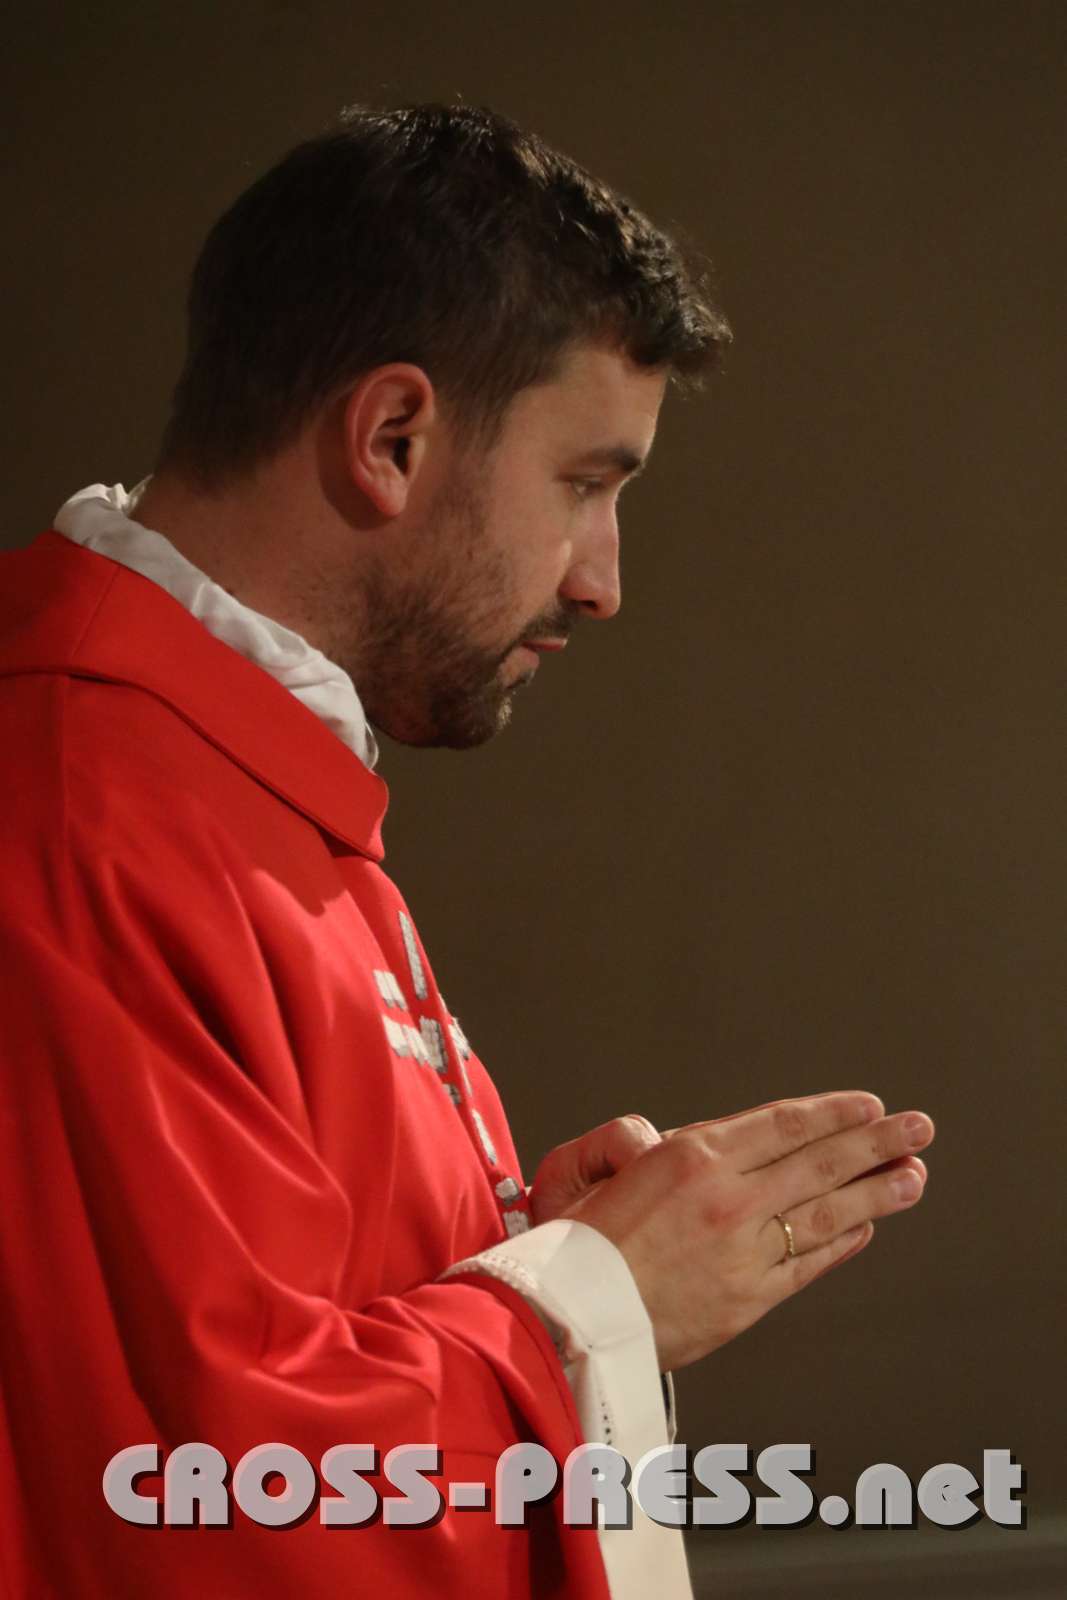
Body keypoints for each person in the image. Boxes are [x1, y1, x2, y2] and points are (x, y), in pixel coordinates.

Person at [0, 102, 934, 1599]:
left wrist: (519, 1246)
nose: (604, 580)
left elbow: (279, 1322)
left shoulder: (230, 761)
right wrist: (594, 1303)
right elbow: (193, 1501)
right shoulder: (71, 811)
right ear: (392, 438)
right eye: (587, 484)